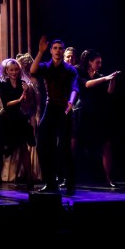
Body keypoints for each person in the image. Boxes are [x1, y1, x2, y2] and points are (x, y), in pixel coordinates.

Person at [29, 36, 79, 195]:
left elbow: (75, 88)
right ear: (51, 50)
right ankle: (50, 182)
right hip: (51, 107)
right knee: (42, 145)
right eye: (55, 48)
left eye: (60, 48)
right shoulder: (46, 66)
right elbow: (33, 70)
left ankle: (70, 183)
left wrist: (71, 101)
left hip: (65, 108)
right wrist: (40, 52)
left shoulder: (70, 70)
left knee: (64, 147)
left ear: (63, 51)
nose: (58, 51)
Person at [76, 49, 120, 187]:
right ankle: (68, 177)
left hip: (97, 114)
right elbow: (87, 84)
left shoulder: (100, 76)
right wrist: (106, 78)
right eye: (97, 62)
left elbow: (109, 92)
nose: (100, 65)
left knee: (106, 145)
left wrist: (112, 80)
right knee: (74, 144)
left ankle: (108, 177)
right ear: (90, 62)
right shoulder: (79, 72)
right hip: (82, 112)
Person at [0, 57, 36, 189]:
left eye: (16, 70)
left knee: (23, 147)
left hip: (18, 118)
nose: (14, 72)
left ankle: (29, 179)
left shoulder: (23, 83)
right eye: (11, 70)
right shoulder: (3, 84)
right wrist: (20, 99)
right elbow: (6, 104)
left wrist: (26, 93)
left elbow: (27, 103)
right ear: (6, 71)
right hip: (6, 118)